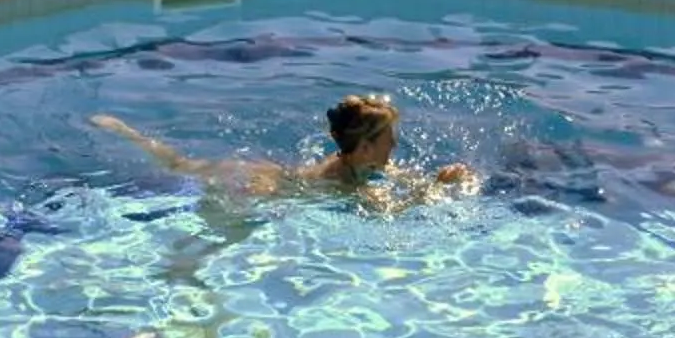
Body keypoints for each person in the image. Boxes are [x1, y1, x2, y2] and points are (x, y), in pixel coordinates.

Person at [89, 94, 480, 203]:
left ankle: (129, 133)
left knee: (185, 165)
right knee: (182, 168)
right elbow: (387, 213)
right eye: (388, 138)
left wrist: (435, 179)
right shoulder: (346, 182)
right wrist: (435, 191)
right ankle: (129, 134)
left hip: (276, 173)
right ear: (363, 148)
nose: (395, 143)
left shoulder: (365, 165)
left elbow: (397, 178)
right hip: (264, 186)